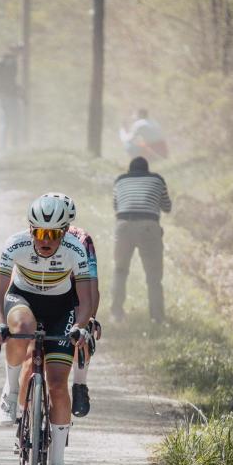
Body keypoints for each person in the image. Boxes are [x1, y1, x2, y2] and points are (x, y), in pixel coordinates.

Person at [0, 194, 93, 465]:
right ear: (30, 229)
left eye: (53, 234)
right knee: (21, 328)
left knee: (58, 385)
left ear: (64, 232)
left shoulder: (75, 250)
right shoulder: (15, 244)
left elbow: (84, 301)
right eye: (39, 232)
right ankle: (10, 391)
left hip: (61, 308)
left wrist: (78, 327)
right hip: (23, 299)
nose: (45, 240)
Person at [43, 191, 101, 418]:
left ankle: (79, 384)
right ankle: (23, 408)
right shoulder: (35, 235)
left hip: (75, 292)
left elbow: (92, 283)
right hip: (44, 293)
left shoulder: (82, 239)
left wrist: (90, 318)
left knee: (81, 333)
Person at [111, 155, 172, 324]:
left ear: (130, 170)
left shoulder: (120, 180)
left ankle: (116, 314)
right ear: (147, 170)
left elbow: (116, 206)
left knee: (120, 271)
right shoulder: (157, 180)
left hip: (123, 226)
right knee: (153, 277)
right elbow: (167, 207)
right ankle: (157, 318)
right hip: (148, 227)